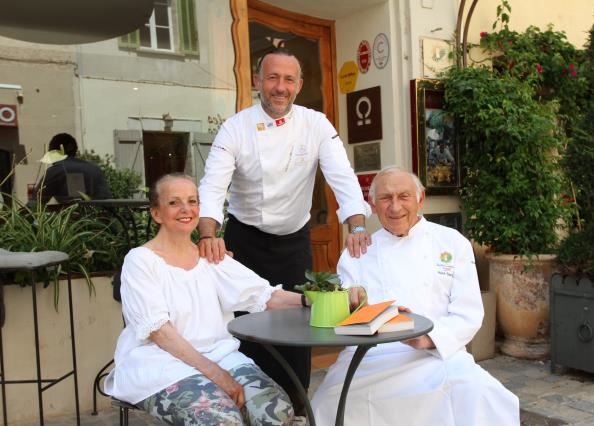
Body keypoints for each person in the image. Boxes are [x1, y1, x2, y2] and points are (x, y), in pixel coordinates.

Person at [197, 48, 371, 411]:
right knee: (249, 329)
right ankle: (249, 405)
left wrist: (356, 224)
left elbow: (341, 175)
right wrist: (209, 234)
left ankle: (294, 404)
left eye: (288, 79)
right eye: (273, 78)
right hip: (245, 241)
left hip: (294, 242)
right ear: (258, 81)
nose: (280, 87)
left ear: (299, 85)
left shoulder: (316, 123)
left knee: (297, 327)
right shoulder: (235, 127)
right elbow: (213, 185)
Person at [106, 173, 327, 425]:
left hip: (221, 356)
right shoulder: (140, 261)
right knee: (221, 420)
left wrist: (312, 300)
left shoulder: (210, 256)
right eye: (174, 202)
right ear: (156, 213)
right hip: (161, 365)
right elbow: (159, 333)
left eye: (192, 201)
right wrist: (215, 374)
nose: (186, 209)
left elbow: (265, 296)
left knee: (277, 413)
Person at [311, 166, 520, 426]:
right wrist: (349, 302)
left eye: (404, 196)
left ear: (420, 199)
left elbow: (468, 313)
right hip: (370, 359)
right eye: (386, 198)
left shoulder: (452, 242)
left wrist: (428, 339)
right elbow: (341, 317)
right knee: (326, 403)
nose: (395, 207)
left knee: (481, 392)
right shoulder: (358, 252)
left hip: (436, 354)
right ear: (373, 205)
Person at [31, 133, 112, 204]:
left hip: (76, 219)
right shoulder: (95, 168)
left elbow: (36, 203)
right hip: (105, 218)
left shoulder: (57, 170)